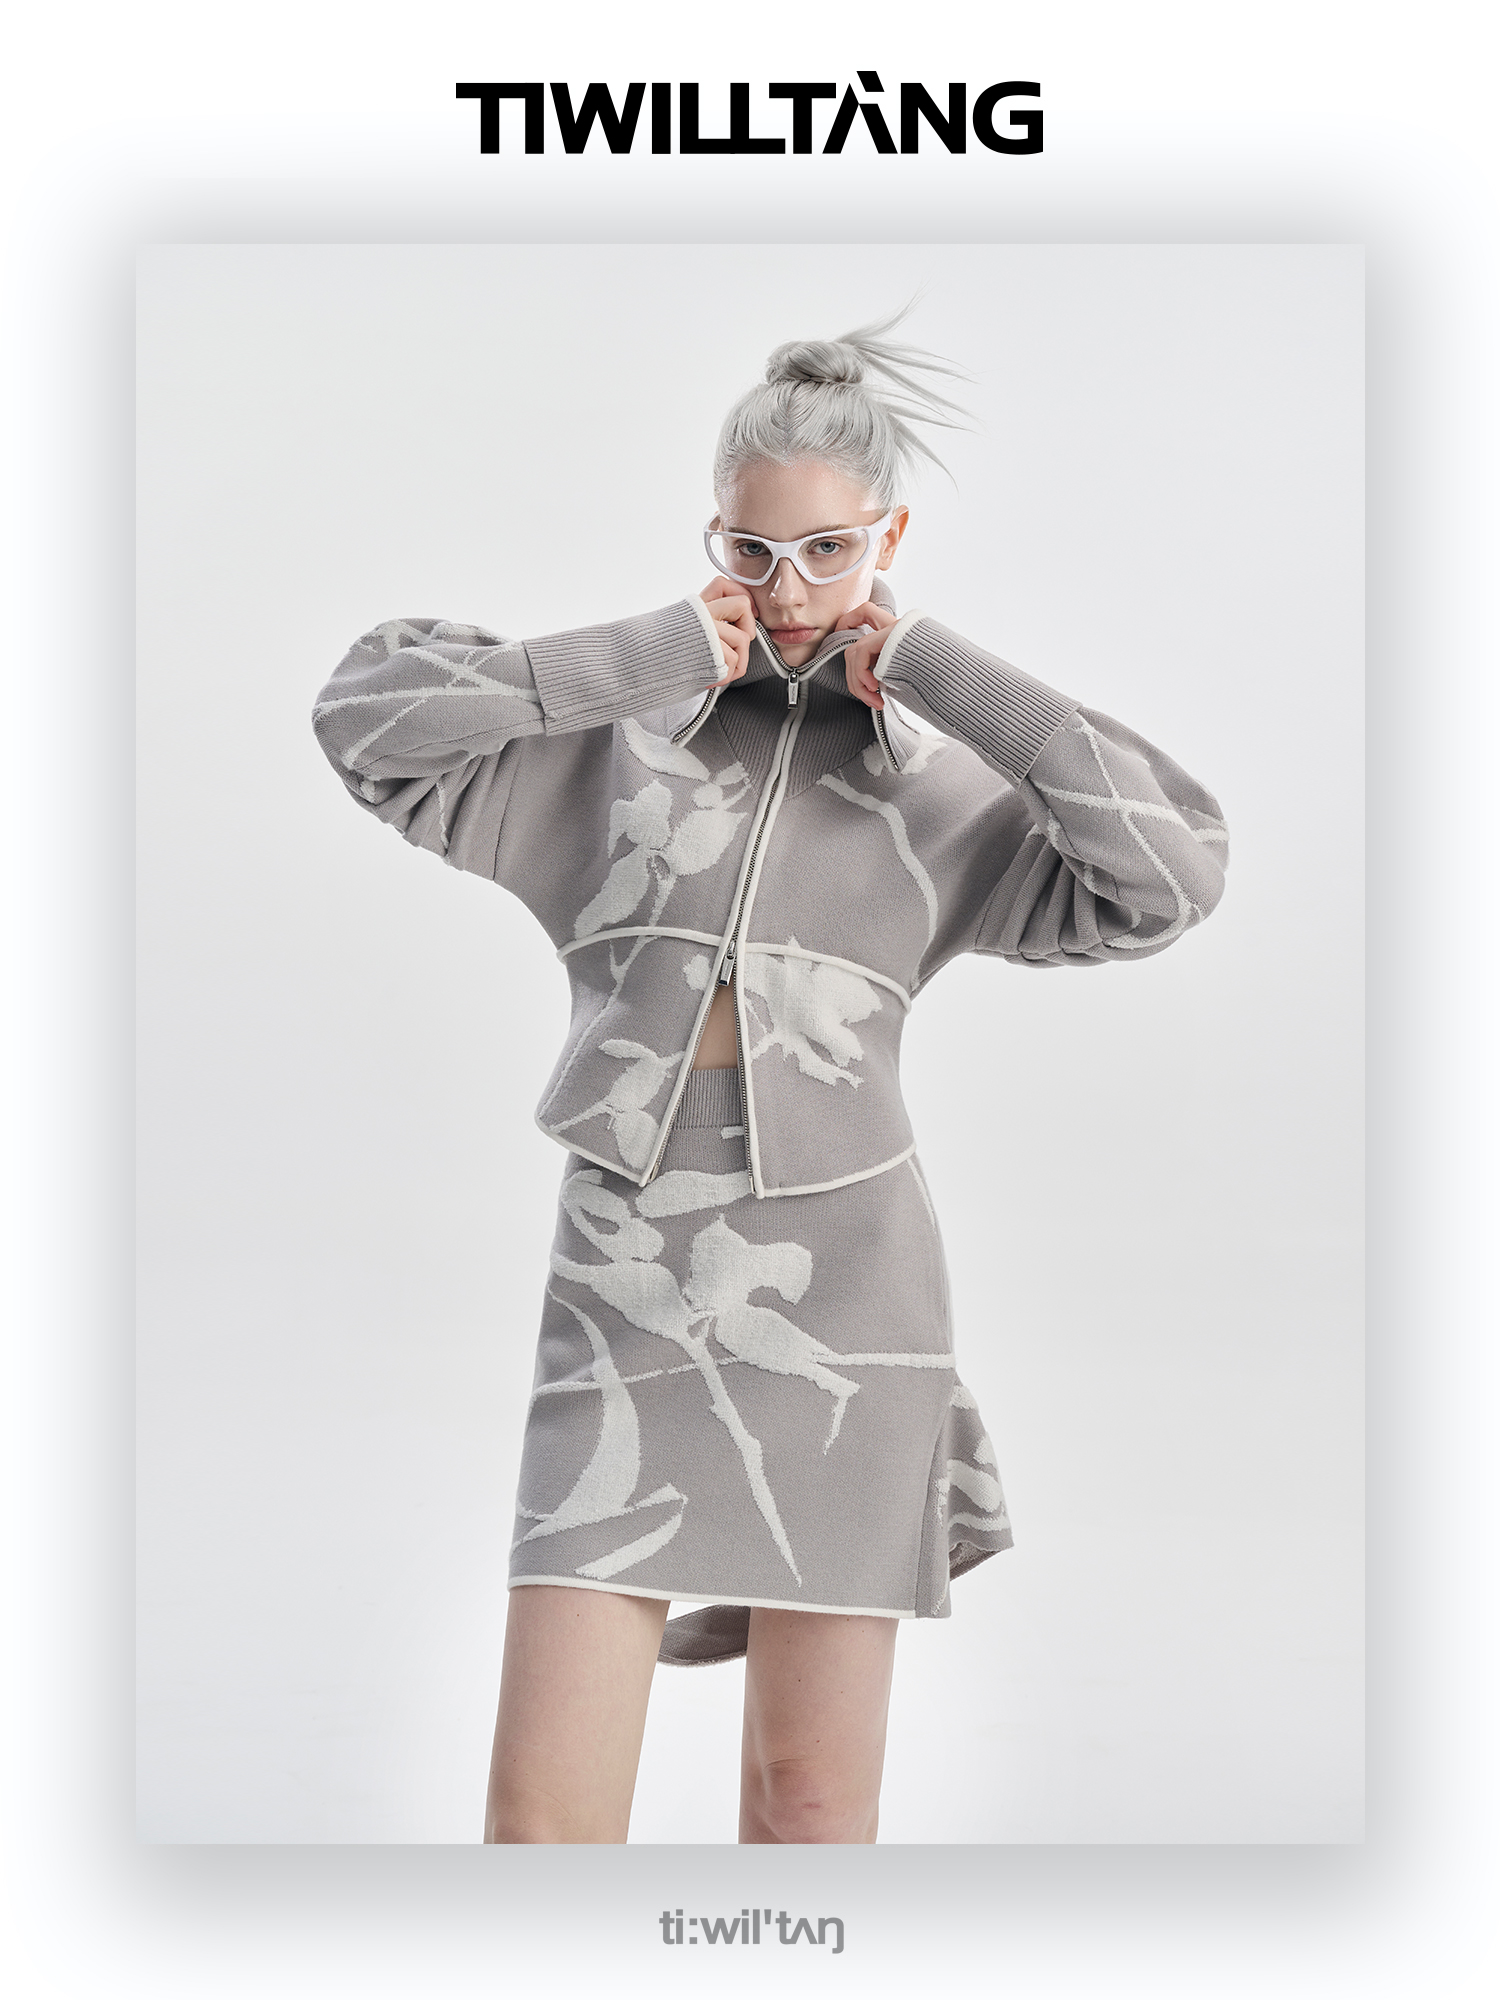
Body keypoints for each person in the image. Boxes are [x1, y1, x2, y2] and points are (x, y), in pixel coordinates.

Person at [310, 310, 1229, 1845]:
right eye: (751, 548)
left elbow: (1173, 870)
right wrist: (653, 651)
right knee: (541, 1820)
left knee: (808, 1806)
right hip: (626, 1274)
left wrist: (939, 670)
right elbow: (368, 713)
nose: (787, 588)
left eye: (827, 551)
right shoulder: (602, 752)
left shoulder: (943, 799)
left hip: (850, 1288)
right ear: (712, 536)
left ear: (889, 539)